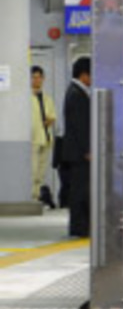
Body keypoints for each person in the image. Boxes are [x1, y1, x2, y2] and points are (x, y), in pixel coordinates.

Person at [61, 57, 91, 238]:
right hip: (80, 153)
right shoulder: (76, 94)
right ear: (84, 74)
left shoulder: (75, 92)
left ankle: (80, 226)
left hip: (76, 152)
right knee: (80, 191)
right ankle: (79, 227)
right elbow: (81, 126)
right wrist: (88, 149)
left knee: (80, 189)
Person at [30, 65, 57, 209]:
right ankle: (32, 198)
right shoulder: (26, 98)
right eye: (34, 77)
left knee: (41, 172)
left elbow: (52, 116)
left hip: (46, 139)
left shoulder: (47, 98)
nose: (37, 80)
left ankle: (38, 198)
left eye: (39, 77)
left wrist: (50, 120)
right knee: (33, 172)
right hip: (33, 139)